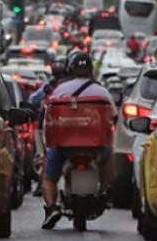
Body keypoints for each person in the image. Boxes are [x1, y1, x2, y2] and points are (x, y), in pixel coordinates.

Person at [40, 51, 115, 229]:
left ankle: (51, 207)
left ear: (71, 70)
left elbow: (48, 116)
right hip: (95, 147)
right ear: (91, 70)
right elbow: (114, 115)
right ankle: (104, 191)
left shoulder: (60, 90)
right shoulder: (102, 91)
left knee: (48, 177)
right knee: (108, 156)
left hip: (63, 146)